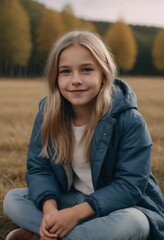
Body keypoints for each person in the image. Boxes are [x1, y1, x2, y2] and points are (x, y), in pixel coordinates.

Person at [3, 30, 164, 240]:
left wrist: (74, 215)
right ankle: (68, 230)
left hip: (124, 207)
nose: (76, 80)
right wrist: (50, 210)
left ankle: (46, 234)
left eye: (86, 70)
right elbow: (39, 169)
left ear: (104, 74)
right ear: (55, 77)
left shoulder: (129, 120)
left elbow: (129, 186)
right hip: (75, 199)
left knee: (134, 224)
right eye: (66, 72)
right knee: (13, 200)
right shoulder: (47, 115)